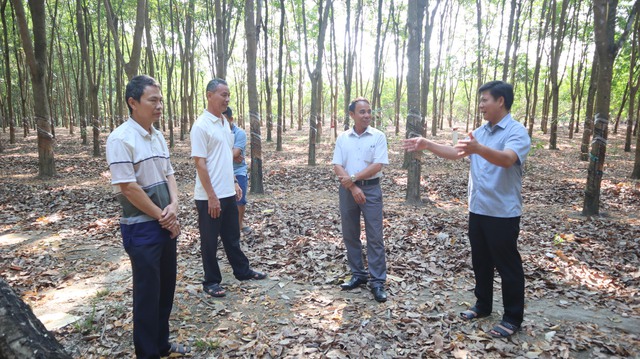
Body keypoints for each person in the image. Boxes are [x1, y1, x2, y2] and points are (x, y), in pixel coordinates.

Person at [403, 80, 531, 338]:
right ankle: (483, 305)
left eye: (485, 100)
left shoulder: (516, 131)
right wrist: (427, 144)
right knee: (481, 262)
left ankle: (512, 317)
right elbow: (455, 152)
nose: (481, 105)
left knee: (508, 266)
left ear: (500, 101)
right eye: (481, 100)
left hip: (503, 212)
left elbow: (507, 159)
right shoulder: (480, 132)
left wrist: (478, 148)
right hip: (478, 209)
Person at [105, 75, 190, 358]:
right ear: (133, 103)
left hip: (166, 223)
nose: (159, 106)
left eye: (160, 100)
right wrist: (162, 216)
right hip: (141, 229)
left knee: (165, 289)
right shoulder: (120, 139)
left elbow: (169, 174)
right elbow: (128, 187)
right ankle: (147, 352)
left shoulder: (158, 135)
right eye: (152, 100)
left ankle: (161, 344)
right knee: (147, 294)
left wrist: (174, 205)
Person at [191, 78, 267, 298]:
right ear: (209, 95)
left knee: (232, 236)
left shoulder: (224, 123)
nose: (227, 99)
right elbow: (200, 163)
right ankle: (211, 281)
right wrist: (211, 196)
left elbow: (225, 158)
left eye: (228, 95)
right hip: (209, 196)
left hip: (227, 192)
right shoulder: (201, 126)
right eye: (223, 95)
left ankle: (242, 271)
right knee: (209, 241)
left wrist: (233, 181)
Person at [332, 97, 389, 303]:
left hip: (371, 190)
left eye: (368, 111)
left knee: (375, 236)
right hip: (347, 191)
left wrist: (355, 179)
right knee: (350, 233)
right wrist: (353, 187)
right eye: (362, 112)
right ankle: (358, 274)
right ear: (352, 115)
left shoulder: (378, 136)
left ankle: (377, 281)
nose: (366, 115)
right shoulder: (343, 138)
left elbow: (378, 165)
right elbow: (337, 165)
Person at [223, 106, 251, 235]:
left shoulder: (239, 133)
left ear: (231, 119)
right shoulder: (217, 132)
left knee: (240, 199)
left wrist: (231, 154)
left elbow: (236, 152)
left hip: (238, 170)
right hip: (221, 170)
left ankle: (239, 224)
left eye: (224, 120)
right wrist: (231, 154)